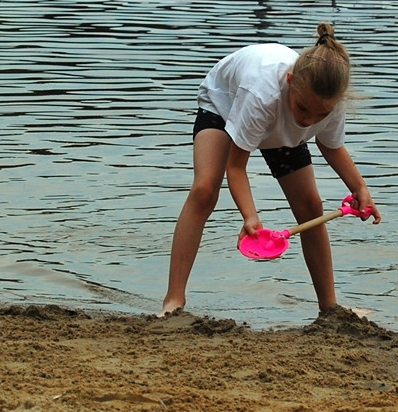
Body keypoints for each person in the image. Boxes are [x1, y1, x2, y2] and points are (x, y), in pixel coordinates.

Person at [160, 23, 381, 317]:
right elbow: (236, 165)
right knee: (204, 190)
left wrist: (360, 188)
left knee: (311, 206)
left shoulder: (327, 103)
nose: (309, 120)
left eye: (321, 114)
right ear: (290, 81)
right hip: (223, 103)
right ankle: (173, 301)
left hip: (279, 121)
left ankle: (330, 307)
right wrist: (251, 217)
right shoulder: (261, 94)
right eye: (304, 109)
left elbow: (331, 146)